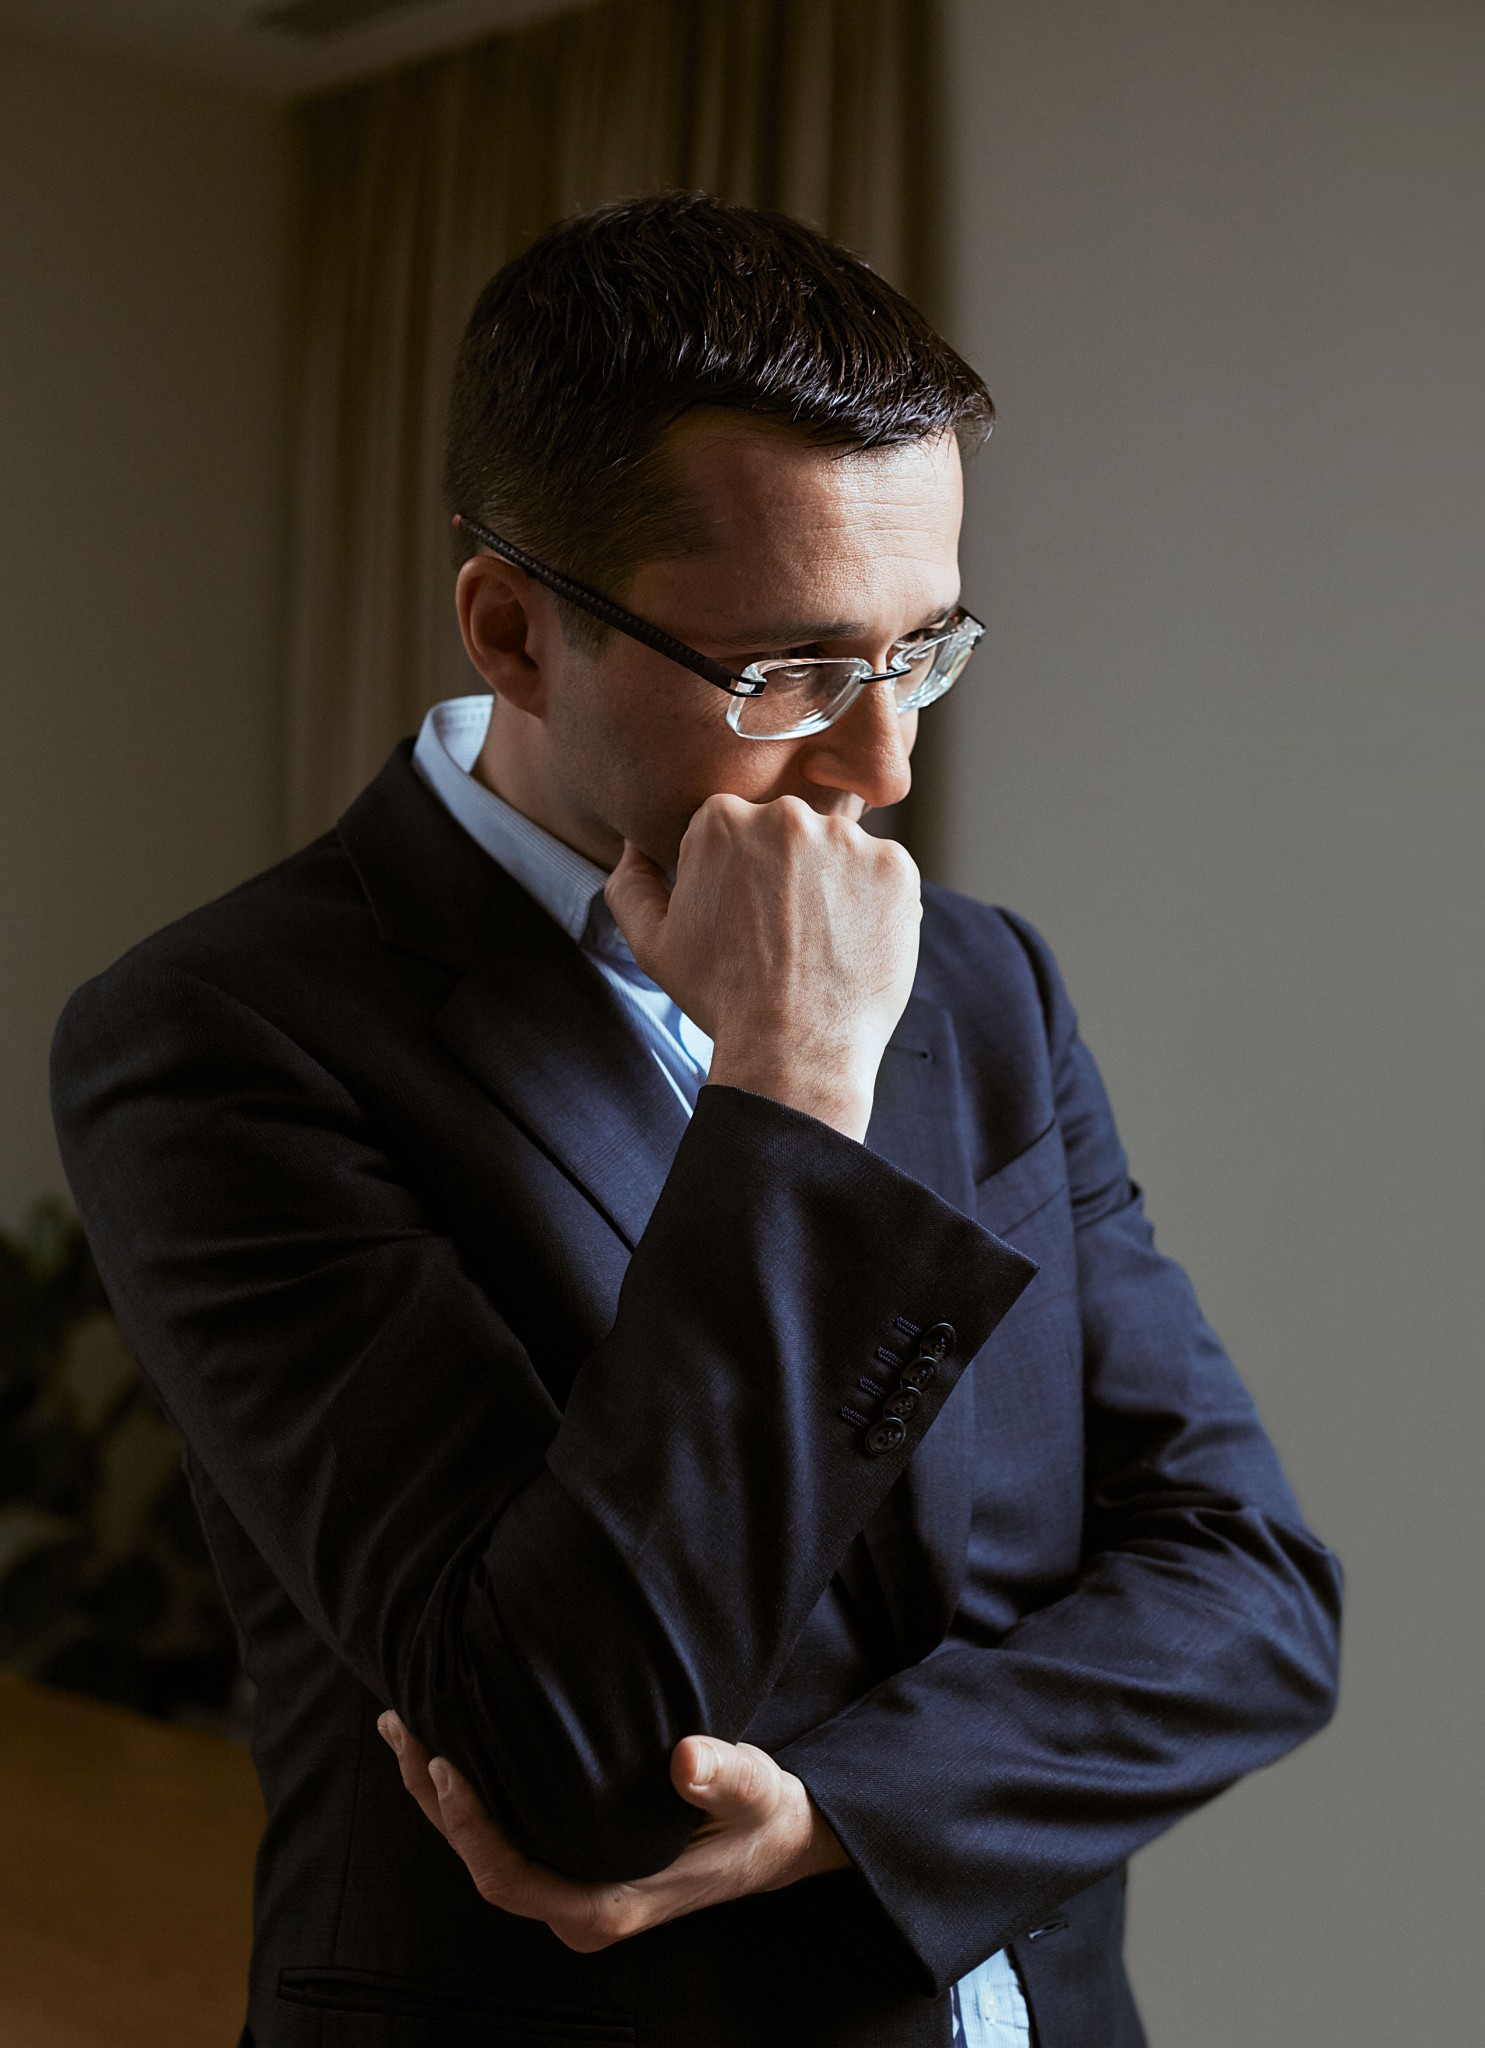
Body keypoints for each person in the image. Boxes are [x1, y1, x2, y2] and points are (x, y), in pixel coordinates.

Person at [51, 193, 1340, 2048]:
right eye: (790, 671)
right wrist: (792, 1090)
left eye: (922, 649)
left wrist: (840, 1819)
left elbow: (1248, 1596)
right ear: (512, 630)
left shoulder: (983, 983)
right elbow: (563, 1753)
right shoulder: (215, 1039)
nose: (885, 762)